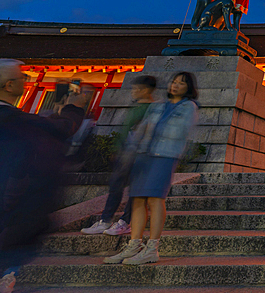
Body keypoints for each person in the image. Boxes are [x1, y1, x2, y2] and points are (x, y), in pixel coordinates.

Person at [0, 59, 76, 293]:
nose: (26, 80)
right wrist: (73, 109)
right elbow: (59, 129)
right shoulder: (14, 120)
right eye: (23, 78)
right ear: (9, 85)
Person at [104, 72, 198, 266]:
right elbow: (142, 129)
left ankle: (152, 247)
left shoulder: (189, 107)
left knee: (155, 199)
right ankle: (134, 244)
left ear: (189, 88)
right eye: (174, 81)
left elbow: (179, 131)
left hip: (165, 154)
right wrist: (130, 151)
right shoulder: (157, 106)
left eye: (181, 83)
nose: (175, 85)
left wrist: (152, 130)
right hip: (144, 153)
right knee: (137, 198)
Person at [82, 75, 157, 236]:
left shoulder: (152, 109)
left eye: (136, 89)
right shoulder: (137, 107)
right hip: (125, 153)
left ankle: (125, 221)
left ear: (145, 90)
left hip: (139, 154)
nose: (133, 92)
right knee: (116, 187)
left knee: (133, 191)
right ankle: (105, 220)